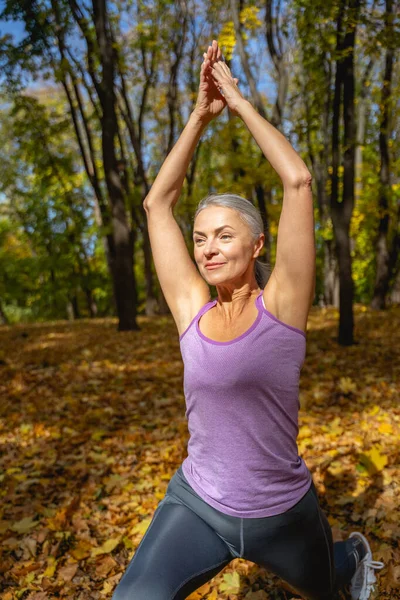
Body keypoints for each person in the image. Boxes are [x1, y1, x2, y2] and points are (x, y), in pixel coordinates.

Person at [112, 40, 384, 600]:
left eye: (225, 235)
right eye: (201, 237)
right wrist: (198, 115)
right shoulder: (192, 308)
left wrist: (236, 100)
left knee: (324, 586)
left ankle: (349, 556)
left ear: (258, 243)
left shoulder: (282, 306)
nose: (209, 248)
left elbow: (298, 182)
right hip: (199, 505)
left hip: (282, 513)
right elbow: (156, 205)